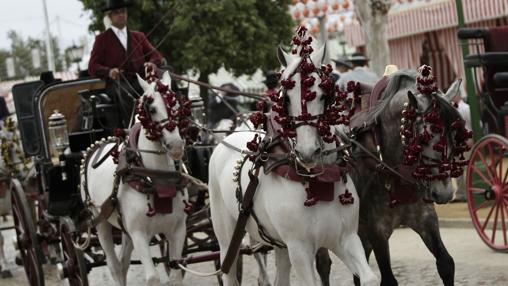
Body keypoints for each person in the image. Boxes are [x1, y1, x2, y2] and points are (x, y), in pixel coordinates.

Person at [88, 0, 163, 127]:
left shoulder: (138, 36)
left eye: (123, 12)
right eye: (117, 13)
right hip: (117, 83)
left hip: (139, 80)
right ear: (110, 17)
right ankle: (135, 128)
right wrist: (109, 71)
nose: (121, 15)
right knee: (127, 93)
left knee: (160, 88)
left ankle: (163, 124)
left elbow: (156, 55)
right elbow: (93, 66)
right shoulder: (102, 39)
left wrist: (151, 63)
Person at [452, 89, 472, 202]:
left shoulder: (467, 108)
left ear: (457, 96)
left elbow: (475, 123)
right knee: (457, 168)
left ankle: (468, 192)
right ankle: (460, 194)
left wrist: (472, 138)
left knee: (467, 168)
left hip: (466, 141)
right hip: (456, 143)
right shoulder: (451, 109)